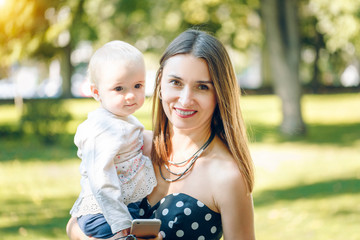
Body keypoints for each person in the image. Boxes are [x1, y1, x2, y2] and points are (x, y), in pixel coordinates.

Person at [67, 29, 255, 240]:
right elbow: (77, 220)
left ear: (220, 94)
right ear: (160, 83)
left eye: (202, 87)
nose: (185, 99)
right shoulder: (135, 145)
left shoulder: (227, 176)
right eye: (176, 82)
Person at [69, 40, 157, 239]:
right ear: (96, 92)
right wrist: (119, 220)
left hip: (122, 208)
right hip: (104, 214)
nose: (131, 96)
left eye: (137, 85)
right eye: (119, 89)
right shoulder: (102, 129)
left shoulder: (121, 120)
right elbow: (101, 177)